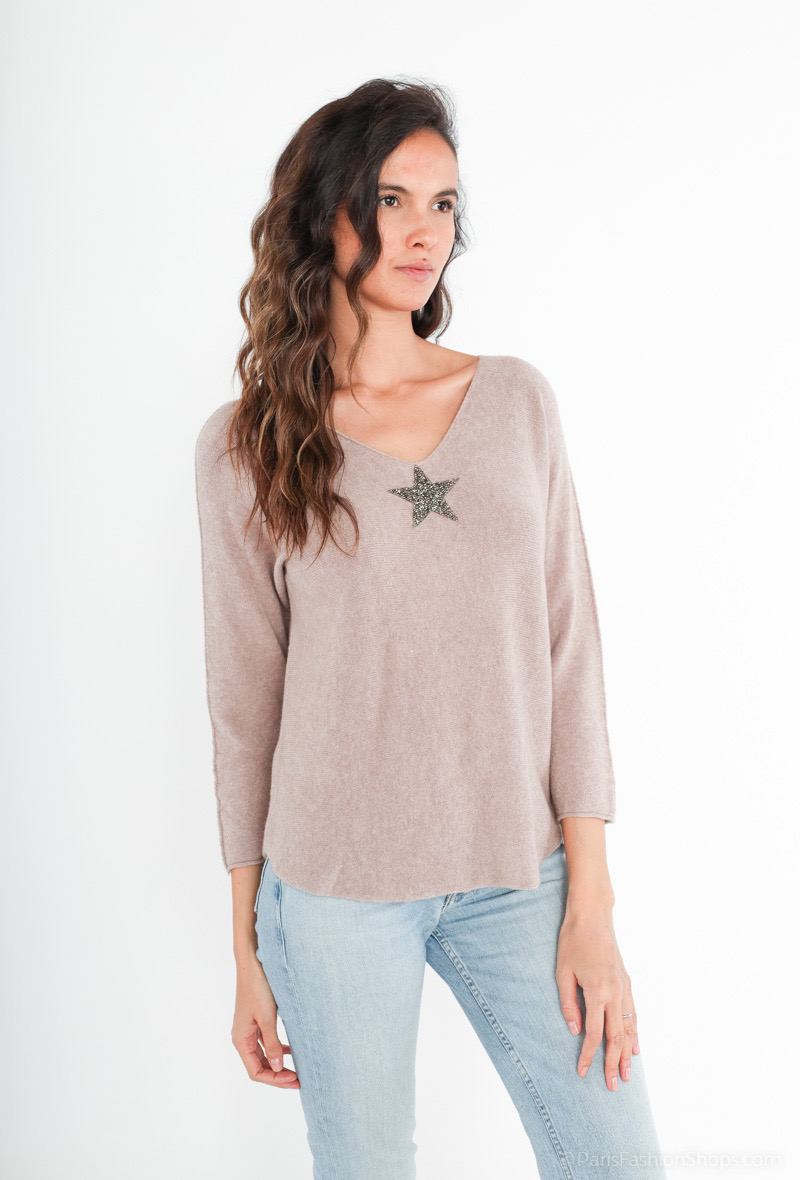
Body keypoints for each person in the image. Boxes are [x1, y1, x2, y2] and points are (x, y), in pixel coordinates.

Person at [194, 76, 667, 1179]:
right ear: (325, 215)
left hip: (519, 873)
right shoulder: (246, 446)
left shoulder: (516, 402)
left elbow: (569, 653)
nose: (424, 232)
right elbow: (242, 705)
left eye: (443, 204)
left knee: (617, 1160)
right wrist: (246, 945)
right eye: (392, 200)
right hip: (333, 888)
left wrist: (591, 901)